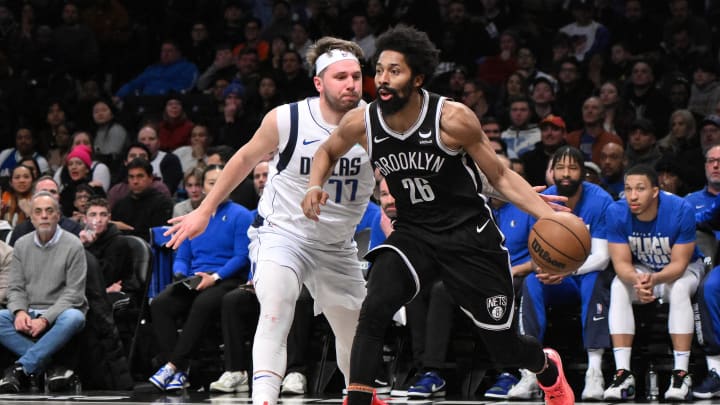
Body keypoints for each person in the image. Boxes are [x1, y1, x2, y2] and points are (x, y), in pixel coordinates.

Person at [301, 25, 574, 405]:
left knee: (505, 348)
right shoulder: (361, 122)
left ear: (418, 78)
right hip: (414, 233)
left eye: (394, 71)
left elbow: (497, 175)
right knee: (375, 304)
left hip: (469, 236)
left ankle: (546, 367)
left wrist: (547, 214)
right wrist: (315, 185)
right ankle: (360, 398)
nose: (382, 79)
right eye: (378, 69)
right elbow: (326, 153)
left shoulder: (452, 118)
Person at [164, 37, 375, 405]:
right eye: (340, 76)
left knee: (353, 333)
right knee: (276, 307)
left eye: (356, 76)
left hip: (337, 243)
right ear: (319, 83)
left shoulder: (377, 123)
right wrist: (203, 211)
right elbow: (244, 159)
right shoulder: (287, 118)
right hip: (284, 233)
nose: (351, 84)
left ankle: (358, 397)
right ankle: (264, 398)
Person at [512, 146, 613, 401]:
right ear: (552, 171)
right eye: (560, 167)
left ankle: (594, 370)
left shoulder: (600, 201)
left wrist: (565, 270)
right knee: (532, 283)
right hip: (560, 280)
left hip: (586, 277)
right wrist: (548, 270)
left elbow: (601, 258)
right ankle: (530, 370)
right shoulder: (545, 199)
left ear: (583, 172)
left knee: (594, 279)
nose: (566, 173)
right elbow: (539, 250)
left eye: (572, 167)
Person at [603, 164, 704, 401]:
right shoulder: (616, 212)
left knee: (678, 289)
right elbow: (621, 263)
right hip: (644, 272)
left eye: (640, 189)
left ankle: (681, 374)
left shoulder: (681, 209)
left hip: (685, 270)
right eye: (628, 189)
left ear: (655, 191)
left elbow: (679, 264)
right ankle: (623, 373)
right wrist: (638, 280)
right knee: (619, 285)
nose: (633, 196)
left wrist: (653, 279)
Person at [149, 165, 252, 392]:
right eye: (211, 182)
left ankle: (172, 365)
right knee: (160, 304)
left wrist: (214, 277)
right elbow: (183, 255)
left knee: (203, 302)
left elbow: (242, 257)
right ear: (204, 187)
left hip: (228, 278)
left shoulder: (241, 215)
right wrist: (181, 275)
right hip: (195, 278)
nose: (217, 186)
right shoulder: (195, 217)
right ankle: (182, 369)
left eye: (222, 181)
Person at [0, 191, 87, 393]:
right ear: (31, 218)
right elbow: (15, 287)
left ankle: (20, 368)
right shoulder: (21, 245)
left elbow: (74, 293)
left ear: (58, 216)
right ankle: (52, 367)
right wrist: (19, 311)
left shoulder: (73, 244)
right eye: (38, 212)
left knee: (74, 317)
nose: (44, 216)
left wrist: (46, 319)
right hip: (30, 310)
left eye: (49, 211)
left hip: (61, 311)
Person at [111, 158, 173, 241]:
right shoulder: (119, 206)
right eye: (131, 177)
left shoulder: (163, 204)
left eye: (140, 176)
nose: (135, 181)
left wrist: (127, 230)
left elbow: (159, 236)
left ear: (150, 178)